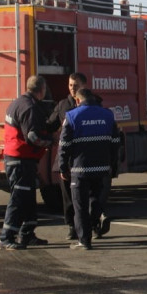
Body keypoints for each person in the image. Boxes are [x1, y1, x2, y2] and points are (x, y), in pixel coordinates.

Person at [58, 88, 120, 250]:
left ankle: (84, 241)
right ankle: (96, 221)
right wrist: (112, 165)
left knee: (80, 206)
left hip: (80, 170)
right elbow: (115, 143)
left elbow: (64, 145)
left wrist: (63, 166)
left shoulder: (72, 116)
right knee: (95, 199)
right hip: (101, 168)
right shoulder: (108, 115)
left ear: (78, 101)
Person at [0, 75, 54, 250]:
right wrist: (50, 142)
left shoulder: (17, 103)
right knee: (19, 198)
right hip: (20, 159)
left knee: (28, 197)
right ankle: (6, 237)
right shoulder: (30, 108)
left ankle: (27, 233)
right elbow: (33, 137)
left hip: (17, 158)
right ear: (42, 90)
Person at [46, 72, 89, 240]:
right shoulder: (63, 105)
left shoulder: (91, 104)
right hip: (67, 159)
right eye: (70, 85)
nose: (73, 88)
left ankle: (90, 223)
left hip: (84, 158)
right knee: (67, 196)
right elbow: (50, 125)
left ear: (84, 86)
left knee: (87, 195)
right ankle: (71, 227)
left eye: (76, 85)